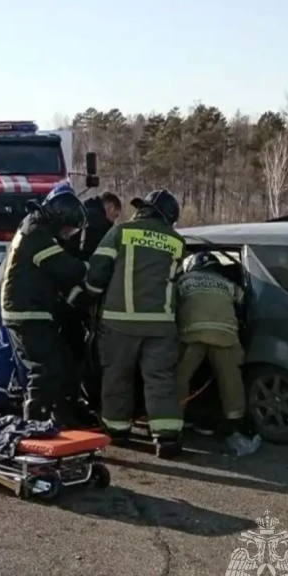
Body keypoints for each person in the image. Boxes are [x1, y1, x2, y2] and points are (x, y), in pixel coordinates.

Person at [82, 188, 185, 457]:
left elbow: (97, 272)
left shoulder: (121, 232)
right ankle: (167, 437)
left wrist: (88, 297)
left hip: (119, 323)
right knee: (160, 380)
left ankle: (118, 431)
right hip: (161, 325)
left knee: (117, 376)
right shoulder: (176, 241)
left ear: (144, 209)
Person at [0, 183, 90, 425]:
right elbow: (66, 268)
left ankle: (59, 417)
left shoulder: (34, 227)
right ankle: (35, 424)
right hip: (27, 312)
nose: (68, 235)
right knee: (43, 369)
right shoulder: (37, 234)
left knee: (57, 364)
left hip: (29, 310)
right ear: (61, 217)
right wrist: (89, 269)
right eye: (69, 229)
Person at [176, 252, 261, 456]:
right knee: (230, 380)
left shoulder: (183, 281)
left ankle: (175, 419)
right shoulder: (227, 282)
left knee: (180, 378)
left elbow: (172, 306)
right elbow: (244, 303)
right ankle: (234, 422)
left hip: (192, 335)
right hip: (225, 336)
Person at [0, 259, 28, 414]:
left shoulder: (27, 237)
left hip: (1, 286)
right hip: (9, 290)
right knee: (12, 344)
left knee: (7, 342)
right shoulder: (42, 238)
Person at [79, 192, 122, 261]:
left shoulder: (84, 211)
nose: (113, 221)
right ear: (111, 207)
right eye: (115, 216)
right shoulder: (102, 224)